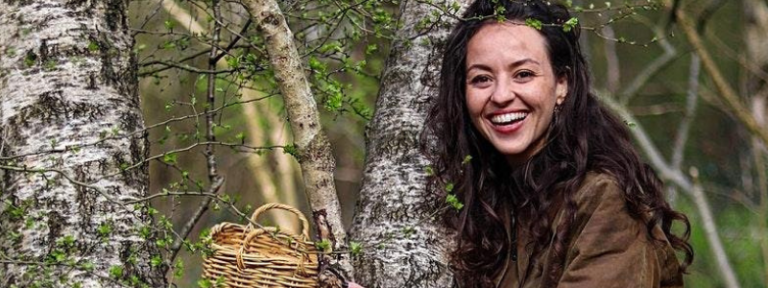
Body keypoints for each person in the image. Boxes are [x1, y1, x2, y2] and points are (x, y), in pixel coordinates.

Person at [421, 0, 694, 287]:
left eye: (523, 74)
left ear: (561, 83)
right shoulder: (492, 202)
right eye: (482, 78)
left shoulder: (605, 200)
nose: (501, 95)